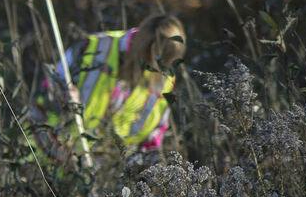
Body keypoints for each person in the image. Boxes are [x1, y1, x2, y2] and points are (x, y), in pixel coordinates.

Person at [28, 14, 187, 168]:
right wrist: (62, 98)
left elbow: (152, 139)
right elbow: (42, 98)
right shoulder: (93, 47)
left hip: (100, 179)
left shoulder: (165, 84)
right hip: (41, 161)